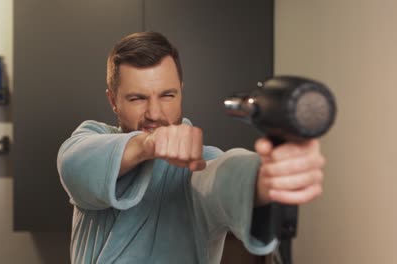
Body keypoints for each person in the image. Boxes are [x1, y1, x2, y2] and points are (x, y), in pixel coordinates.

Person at [57, 31, 325, 264]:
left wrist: (263, 181)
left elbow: (224, 177)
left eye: (167, 95)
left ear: (181, 92)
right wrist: (148, 145)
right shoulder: (93, 138)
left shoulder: (201, 164)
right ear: (113, 101)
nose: (154, 113)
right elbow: (74, 165)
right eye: (138, 98)